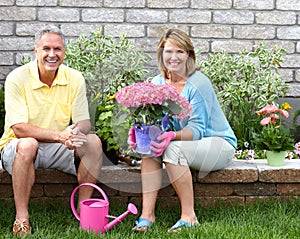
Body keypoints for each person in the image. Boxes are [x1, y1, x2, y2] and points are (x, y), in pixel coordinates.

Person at [129, 28, 237, 232]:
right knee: (150, 148)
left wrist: (171, 136)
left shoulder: (198, 83)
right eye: (169, 51)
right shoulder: (156, 83)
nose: (174, 57)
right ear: (161, 53)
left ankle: (189, 216)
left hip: (217, 143)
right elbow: (154, 122)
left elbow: (197, 129)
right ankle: (147, 216)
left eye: (180, 51)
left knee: (173, 149)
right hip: (186, 143)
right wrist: (139, 132)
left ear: (189, 55)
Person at [0, 26, 103, 236]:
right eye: (46, 48)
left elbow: (84, 121)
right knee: (29, 143)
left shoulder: (74, 78)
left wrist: (73, 131)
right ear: (35, 50)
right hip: (20, 148)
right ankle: (22, 218)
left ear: (64, 52)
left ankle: (85, 212)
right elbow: (19, 128)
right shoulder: (17, 78)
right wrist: (59, 135)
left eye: (58, 49)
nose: (52, 54)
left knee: (94, 142)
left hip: (59, 146)